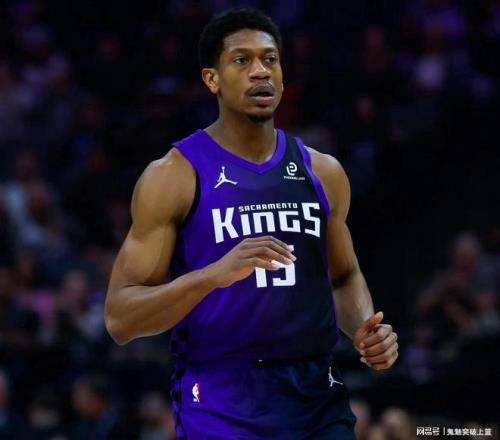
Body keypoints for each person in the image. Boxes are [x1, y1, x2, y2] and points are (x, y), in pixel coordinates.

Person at [105, 7, 399, 439]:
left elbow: (343, 277)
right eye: (242, 60)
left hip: (317, 395)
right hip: (223, 398)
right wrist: (211, 276)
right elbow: (120, 318)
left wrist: (364, 330)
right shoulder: (174, 175)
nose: (260, 71)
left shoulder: (324, 172)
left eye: (270, 59)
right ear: (212, 79)